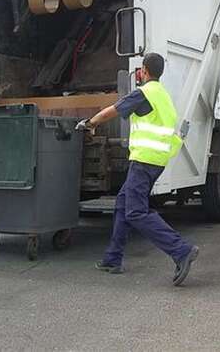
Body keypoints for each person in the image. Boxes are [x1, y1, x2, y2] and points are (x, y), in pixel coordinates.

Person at [76, 52, 199, 286]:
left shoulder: (144, 93)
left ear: (144, 70)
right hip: (157, 160)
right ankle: (113, 258)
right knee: (123, 204)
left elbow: (113, 110)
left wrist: (90, 123)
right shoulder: (163, 95)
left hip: (144, 160)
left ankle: (181, 250)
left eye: (141, 70)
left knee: (136, 211)